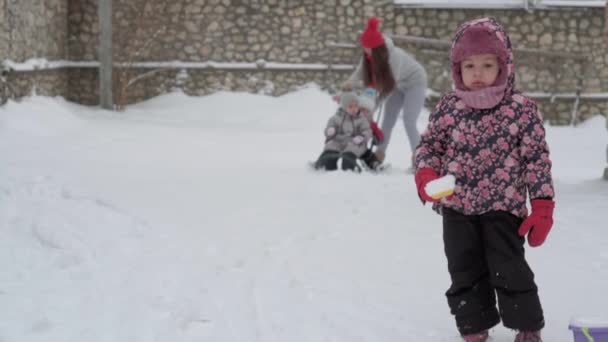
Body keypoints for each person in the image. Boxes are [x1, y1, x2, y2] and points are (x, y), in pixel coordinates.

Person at [413, 17, 555, 342]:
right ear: (457, 69)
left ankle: (527, 327)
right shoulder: (449, 107)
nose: (477, 73)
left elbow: (537, 159)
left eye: (487, 64)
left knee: (510, 269)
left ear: (504, 66)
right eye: (469, 65)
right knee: (464, 270)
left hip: (504, 209)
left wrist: (543, 205)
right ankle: (474, 327)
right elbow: (430, 147)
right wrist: (425, 174)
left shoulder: (521, 110)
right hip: (457, 208)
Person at [343, 16, 427, 167]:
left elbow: (389, 86)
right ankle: (378, 156)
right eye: (364, 47)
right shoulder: (369, 56)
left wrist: (372, 105)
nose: (365, 51)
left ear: (377, 48)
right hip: (398, 85)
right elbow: (360, 70)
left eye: (368, 48)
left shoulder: (395, 57)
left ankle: (420, 159)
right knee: (388, 121)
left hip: (415, 83)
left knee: (409, 121)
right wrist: (350, 82)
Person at [314, 91, 372, 172]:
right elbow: (330, 126)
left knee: (351, 150)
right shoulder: (336, 118)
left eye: (356, 106)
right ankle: (327, 164)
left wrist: (362, 137)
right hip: (339, 141)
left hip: (355, 142)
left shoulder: (361, 119)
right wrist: (330, 131)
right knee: (331, 145)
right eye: (350, 106)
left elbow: (367, 130)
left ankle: (349, 166)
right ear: (344, 107)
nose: (354, 109)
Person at [357, 88, 385, 170]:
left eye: (367, 111)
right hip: (350, 146)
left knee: (369, 154)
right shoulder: (352, 119)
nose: (364, 112)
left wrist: (378, 138)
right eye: (362, 109)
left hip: (362, 148)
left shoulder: (371, 123)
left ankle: (375, 164)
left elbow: (379, 133)